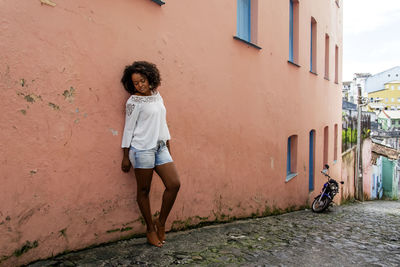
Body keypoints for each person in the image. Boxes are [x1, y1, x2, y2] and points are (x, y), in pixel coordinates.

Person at [120, 61, 180, 248]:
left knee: (174, 184)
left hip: (160, 147)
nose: (140, 85)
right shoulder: (133, 101)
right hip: (141, 149)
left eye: (143, 81)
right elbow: (128, 129)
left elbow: (163, 123)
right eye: (136, 83)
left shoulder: (157, 96)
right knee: (143, 191)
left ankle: (160, 222)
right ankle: (150, 229)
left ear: (150, 78)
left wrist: (168, 146)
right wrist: (125, 155)